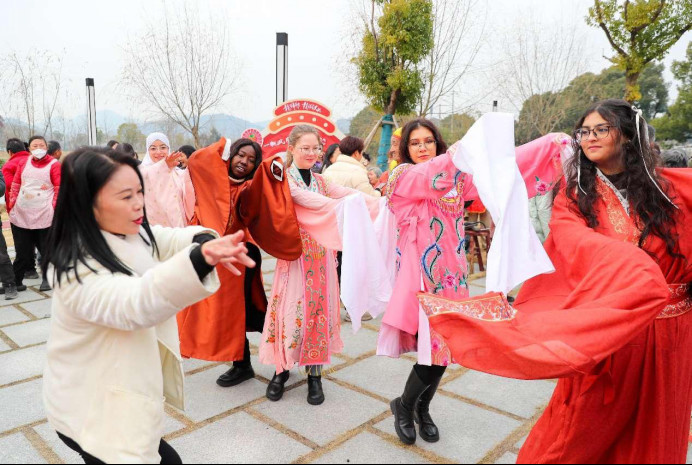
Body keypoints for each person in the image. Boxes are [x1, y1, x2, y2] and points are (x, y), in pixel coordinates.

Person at [423, 100, 692, 463]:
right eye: (584, 131)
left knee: (657, 429)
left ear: (628, 135)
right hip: (611, 331)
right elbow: (573, 241)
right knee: (578, 430)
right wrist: (637, 271)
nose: (590, 137)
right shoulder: (576, 195)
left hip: (672, 336)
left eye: (602, 129)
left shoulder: (669, 190)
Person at [42, 147, 256, 464]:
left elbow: (165, 238)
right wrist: (200, 260)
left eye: (140, 191)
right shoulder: (73, 267)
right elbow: (135, 304)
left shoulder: (128, 230)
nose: (139, 203)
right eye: (126, 196)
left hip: (121, 392)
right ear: (86, 203)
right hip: (92, 407)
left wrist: (202, 240)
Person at [177, 138, 301, 388]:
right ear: (230, 156)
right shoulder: (212, 178)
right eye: (240, 155)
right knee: (226, 314)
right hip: (209, 253)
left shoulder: (249, 188)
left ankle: (281, 360)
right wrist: (221, 143)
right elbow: (198, 160)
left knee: (245, 313)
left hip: (239, 257)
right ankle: (243, 364)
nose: (244, 162)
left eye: (251, 159)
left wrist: (269, 168)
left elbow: (264, 196)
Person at [260, 125, 367, 406]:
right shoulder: (283, 180)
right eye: (304, 148)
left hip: (321, 260)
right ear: (292, 149)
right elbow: (304, 200)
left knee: (318, 314)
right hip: (294, 259)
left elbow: (347, 194)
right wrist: (340, 208)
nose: (310, 153)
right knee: (289, 313)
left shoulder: (322, 181)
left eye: (315, 148)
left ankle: (315, 374)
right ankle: (281, 369)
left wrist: (378, 202)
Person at [7, 135, 60, 292]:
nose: (38, 149)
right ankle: (16, 281)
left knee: (46, 249)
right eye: (35, 146)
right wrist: (12, 204)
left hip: (45, 214)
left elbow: (59, 187)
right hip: (22, 213)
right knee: (22, 252)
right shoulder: (23, 163)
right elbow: (16, 184)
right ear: (29, 148)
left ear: (46, 147)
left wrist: (53, 208)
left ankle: (47, 279)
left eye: (41, 145)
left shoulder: (54, 164)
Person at [139, 132, 195, 228]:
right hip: (156, 229)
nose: (159, 152)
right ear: (147, 151)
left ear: (168, 149)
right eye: (153, 148)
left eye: (163, 147)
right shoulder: (142, 172)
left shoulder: (178, 173)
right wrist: (164, 166)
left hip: (180, 227)